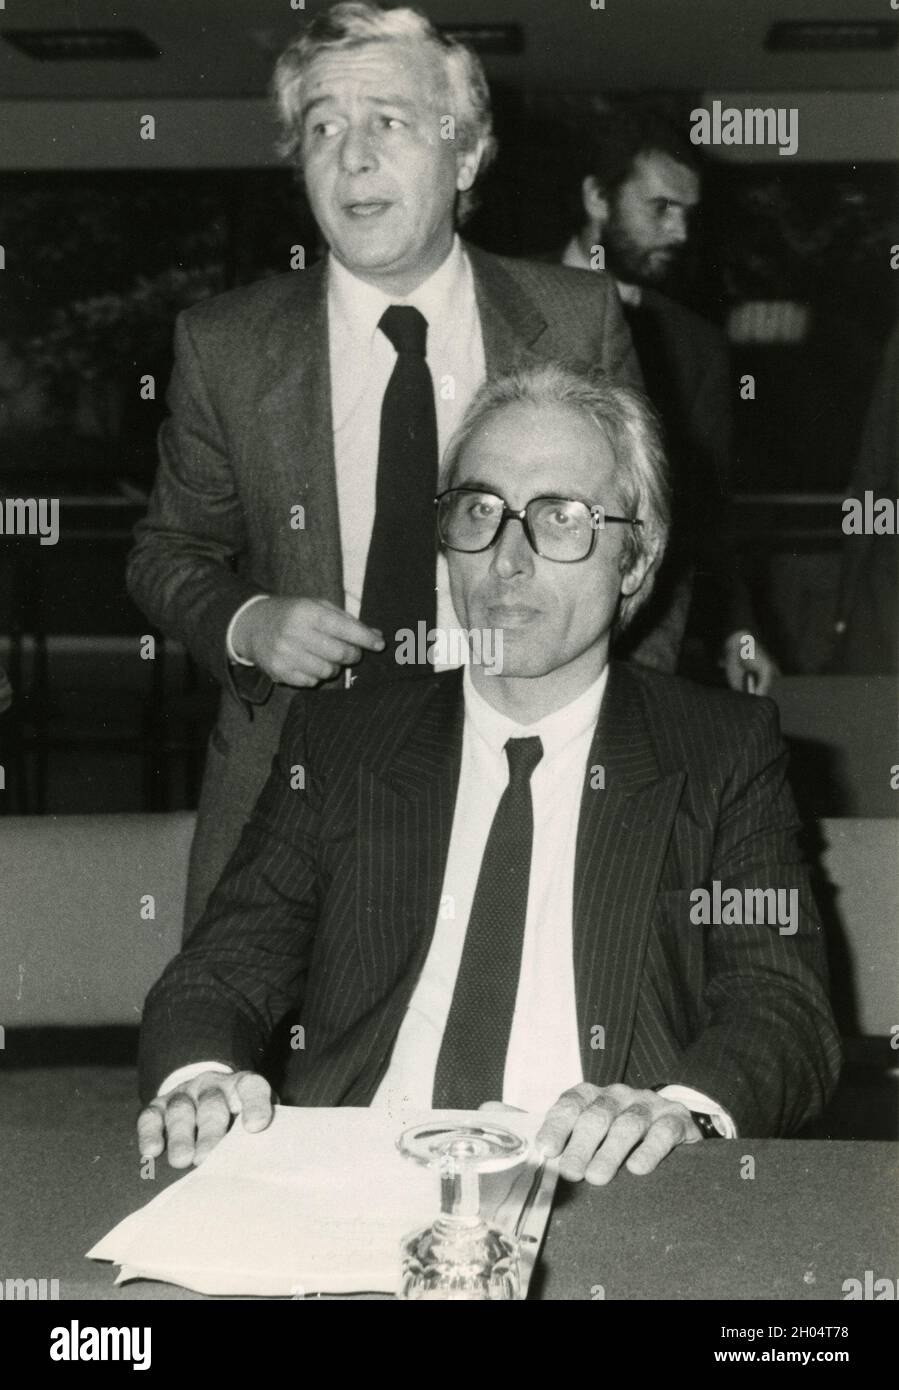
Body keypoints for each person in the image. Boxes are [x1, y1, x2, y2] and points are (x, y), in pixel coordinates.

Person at [137, 362, 841, 1186]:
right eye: (479, 511)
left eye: (560, 518)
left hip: (607, 1185)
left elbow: (780, 1007)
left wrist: (674, 1109)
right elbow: (221, 971)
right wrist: (201, 1082)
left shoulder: (719, 750)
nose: (507, 559)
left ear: (635, 560)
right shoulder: (345, 741)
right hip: (361, 1180)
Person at [126, 1, 641, 937]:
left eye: (388, 123)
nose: (351, 156)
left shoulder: (575, 321)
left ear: (467, 155)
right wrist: (247, 621)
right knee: (248, 1066)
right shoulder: (226, 345)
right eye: (322, 127)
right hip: (298, 788)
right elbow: (167, 553)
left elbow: (644, 545)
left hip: (531, 766)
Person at [561, 105, 777, 691]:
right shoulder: (496, 303)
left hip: (645, 653)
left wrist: (740, 632)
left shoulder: (696, 346)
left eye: (686, 214)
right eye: (659, 208)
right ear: (597, 198)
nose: (679, 233)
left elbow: (709, 511)